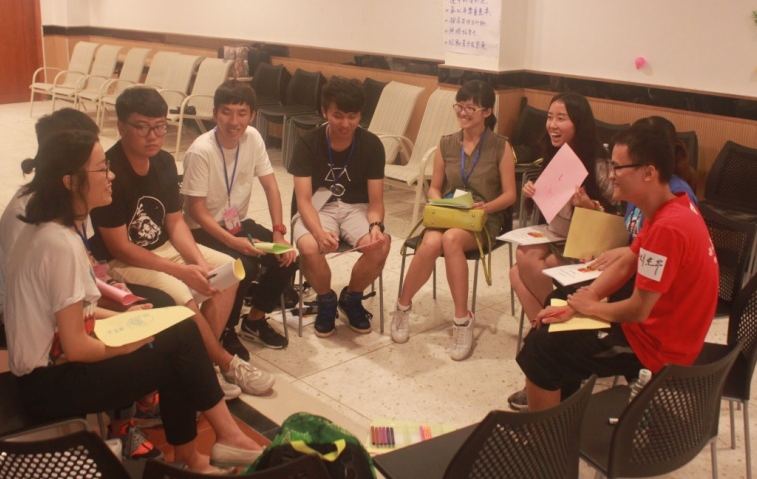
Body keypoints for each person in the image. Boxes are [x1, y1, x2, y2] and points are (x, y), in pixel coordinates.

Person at [5, 129, 263, 473]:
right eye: (102, 169)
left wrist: (126, 318)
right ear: (71, 181)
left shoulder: (53, 228)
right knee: (178, 356)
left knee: (180, 327)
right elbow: (77, 348)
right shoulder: (58, 245)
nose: (111, 176)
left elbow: (71, 314)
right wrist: (130, 343)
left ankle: (210, 448)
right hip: (49, 384)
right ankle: (201, 454)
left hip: (55, 363)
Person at [515, 125, 719, 412]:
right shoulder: (667, 207)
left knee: (541, 350)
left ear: (648, 173)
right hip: (656, 325)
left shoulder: (669, 228)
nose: (611, 175)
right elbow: (627, 261)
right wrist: (585, 299)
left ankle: (546, 435)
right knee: (559, 301)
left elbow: (639, 309)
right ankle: (562, 407)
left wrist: (592, 307)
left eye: (618, 168)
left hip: (657, 348)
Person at [89, 87, 274, 397]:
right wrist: (181, 271)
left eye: (160, 126)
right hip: (122, 261)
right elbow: (120, 247)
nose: (153, 136)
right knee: (178, 290)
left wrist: (200, 264)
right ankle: (224, 363)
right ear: (121, 126)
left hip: (162, 248)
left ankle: (201, 362)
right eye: (142, 127)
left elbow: (175, 222)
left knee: (228, 271)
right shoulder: (111, 172)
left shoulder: (163, 161)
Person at [0, 109, 172, 321]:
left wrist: (110, 284)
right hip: (36, 312)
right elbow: (48, 302)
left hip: (73, 295)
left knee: (157, 305)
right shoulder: (32, 215)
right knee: (159, 309)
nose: (110, 175)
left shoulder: (73, 196)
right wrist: (117, 315)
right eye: (101, 167)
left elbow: (87, 258)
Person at [391, 80, 516, 361]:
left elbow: (510, 195)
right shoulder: (446, 143)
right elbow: (434, 187)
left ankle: (462, 320)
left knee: (450, 239)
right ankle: (402, 307)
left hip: (483, 218)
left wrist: (485, 207)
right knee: (430, 242)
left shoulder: (500, 146)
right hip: (450, 212)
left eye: (471, 107)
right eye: (460, 106)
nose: (463, 112)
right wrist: (439, 201)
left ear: (487, 111)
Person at [182, 80, 298, 350]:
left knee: (287, 257)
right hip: (202, 230)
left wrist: (279, 232)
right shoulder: (201, 150)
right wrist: (234, 242)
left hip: (236, 224)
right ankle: (226, 330)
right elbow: (196, 209)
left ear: (252, 115)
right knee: (244, 267)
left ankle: (254, 321)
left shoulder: (252, 138)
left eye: (242, 113)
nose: (234, 121)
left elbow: (270, 185)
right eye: (226, 112)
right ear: (215, 114)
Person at [288, 78, 391, 337]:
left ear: (360, 115)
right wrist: (318, 232)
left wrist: (376, 226)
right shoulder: (308, 142)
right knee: (309, 246)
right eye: (338, 116)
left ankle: (351, 297)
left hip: (356, 207)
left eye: (352, 116)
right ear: (325, 112)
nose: (345, 124)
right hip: (317, 209)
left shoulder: (371, 144)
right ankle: (326, 300)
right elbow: (303, 200)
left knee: (380, 244)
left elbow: (375, 201)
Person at [510, 93, 615, 324]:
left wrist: (589, 207)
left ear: (579, 124)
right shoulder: (553, 153)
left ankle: (551, 321)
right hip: (559, 235)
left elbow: (613, 222)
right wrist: (532, 192)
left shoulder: (600, 164)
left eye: (561, 118)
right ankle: (549, 324)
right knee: (522, 260)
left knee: (519, 270)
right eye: (549, 117)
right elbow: (546, 206)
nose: (552, 125)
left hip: (587, 248)